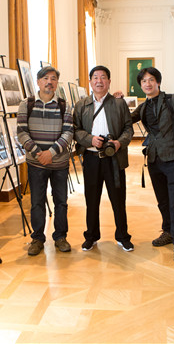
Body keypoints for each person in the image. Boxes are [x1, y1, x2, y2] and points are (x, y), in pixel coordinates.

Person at [131, 67, 174, 262]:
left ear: (158, 82)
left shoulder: (173, 100)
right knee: (162, 200)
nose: (147, 84)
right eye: (144, 81)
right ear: (140, 85)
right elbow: (125, 120)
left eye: (151, 80)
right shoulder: (142, 107)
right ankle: (167, 231)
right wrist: (116, 101)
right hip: (154, 159)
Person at [73, 65, 134, 252]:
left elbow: (128, 129)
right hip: (91, 158)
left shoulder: (119, 103)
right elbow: (75, 130)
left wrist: (118, 143)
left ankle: (123, 236)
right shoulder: (81, 105)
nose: (99, 81)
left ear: (109, 81)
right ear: (90, 82)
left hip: (113, 158)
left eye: (103, 77)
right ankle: (91, 236)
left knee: (118, 199)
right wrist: (89, 139)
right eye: (95, 77)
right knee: (91, 199)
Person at [17, 66, 73, 256]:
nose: (50, 82)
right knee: (37, 202)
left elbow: (68, 133)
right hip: (36, 163)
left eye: (54, 79)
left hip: (60, 164)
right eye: (46, 78)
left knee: (61, 202)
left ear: (57, 83)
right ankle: (37, 238)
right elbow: (21, 132)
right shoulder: (26, 104)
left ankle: (60, 237)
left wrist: (50, 152)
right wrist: (39, 153)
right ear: (38, 82)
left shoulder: (64, 105)